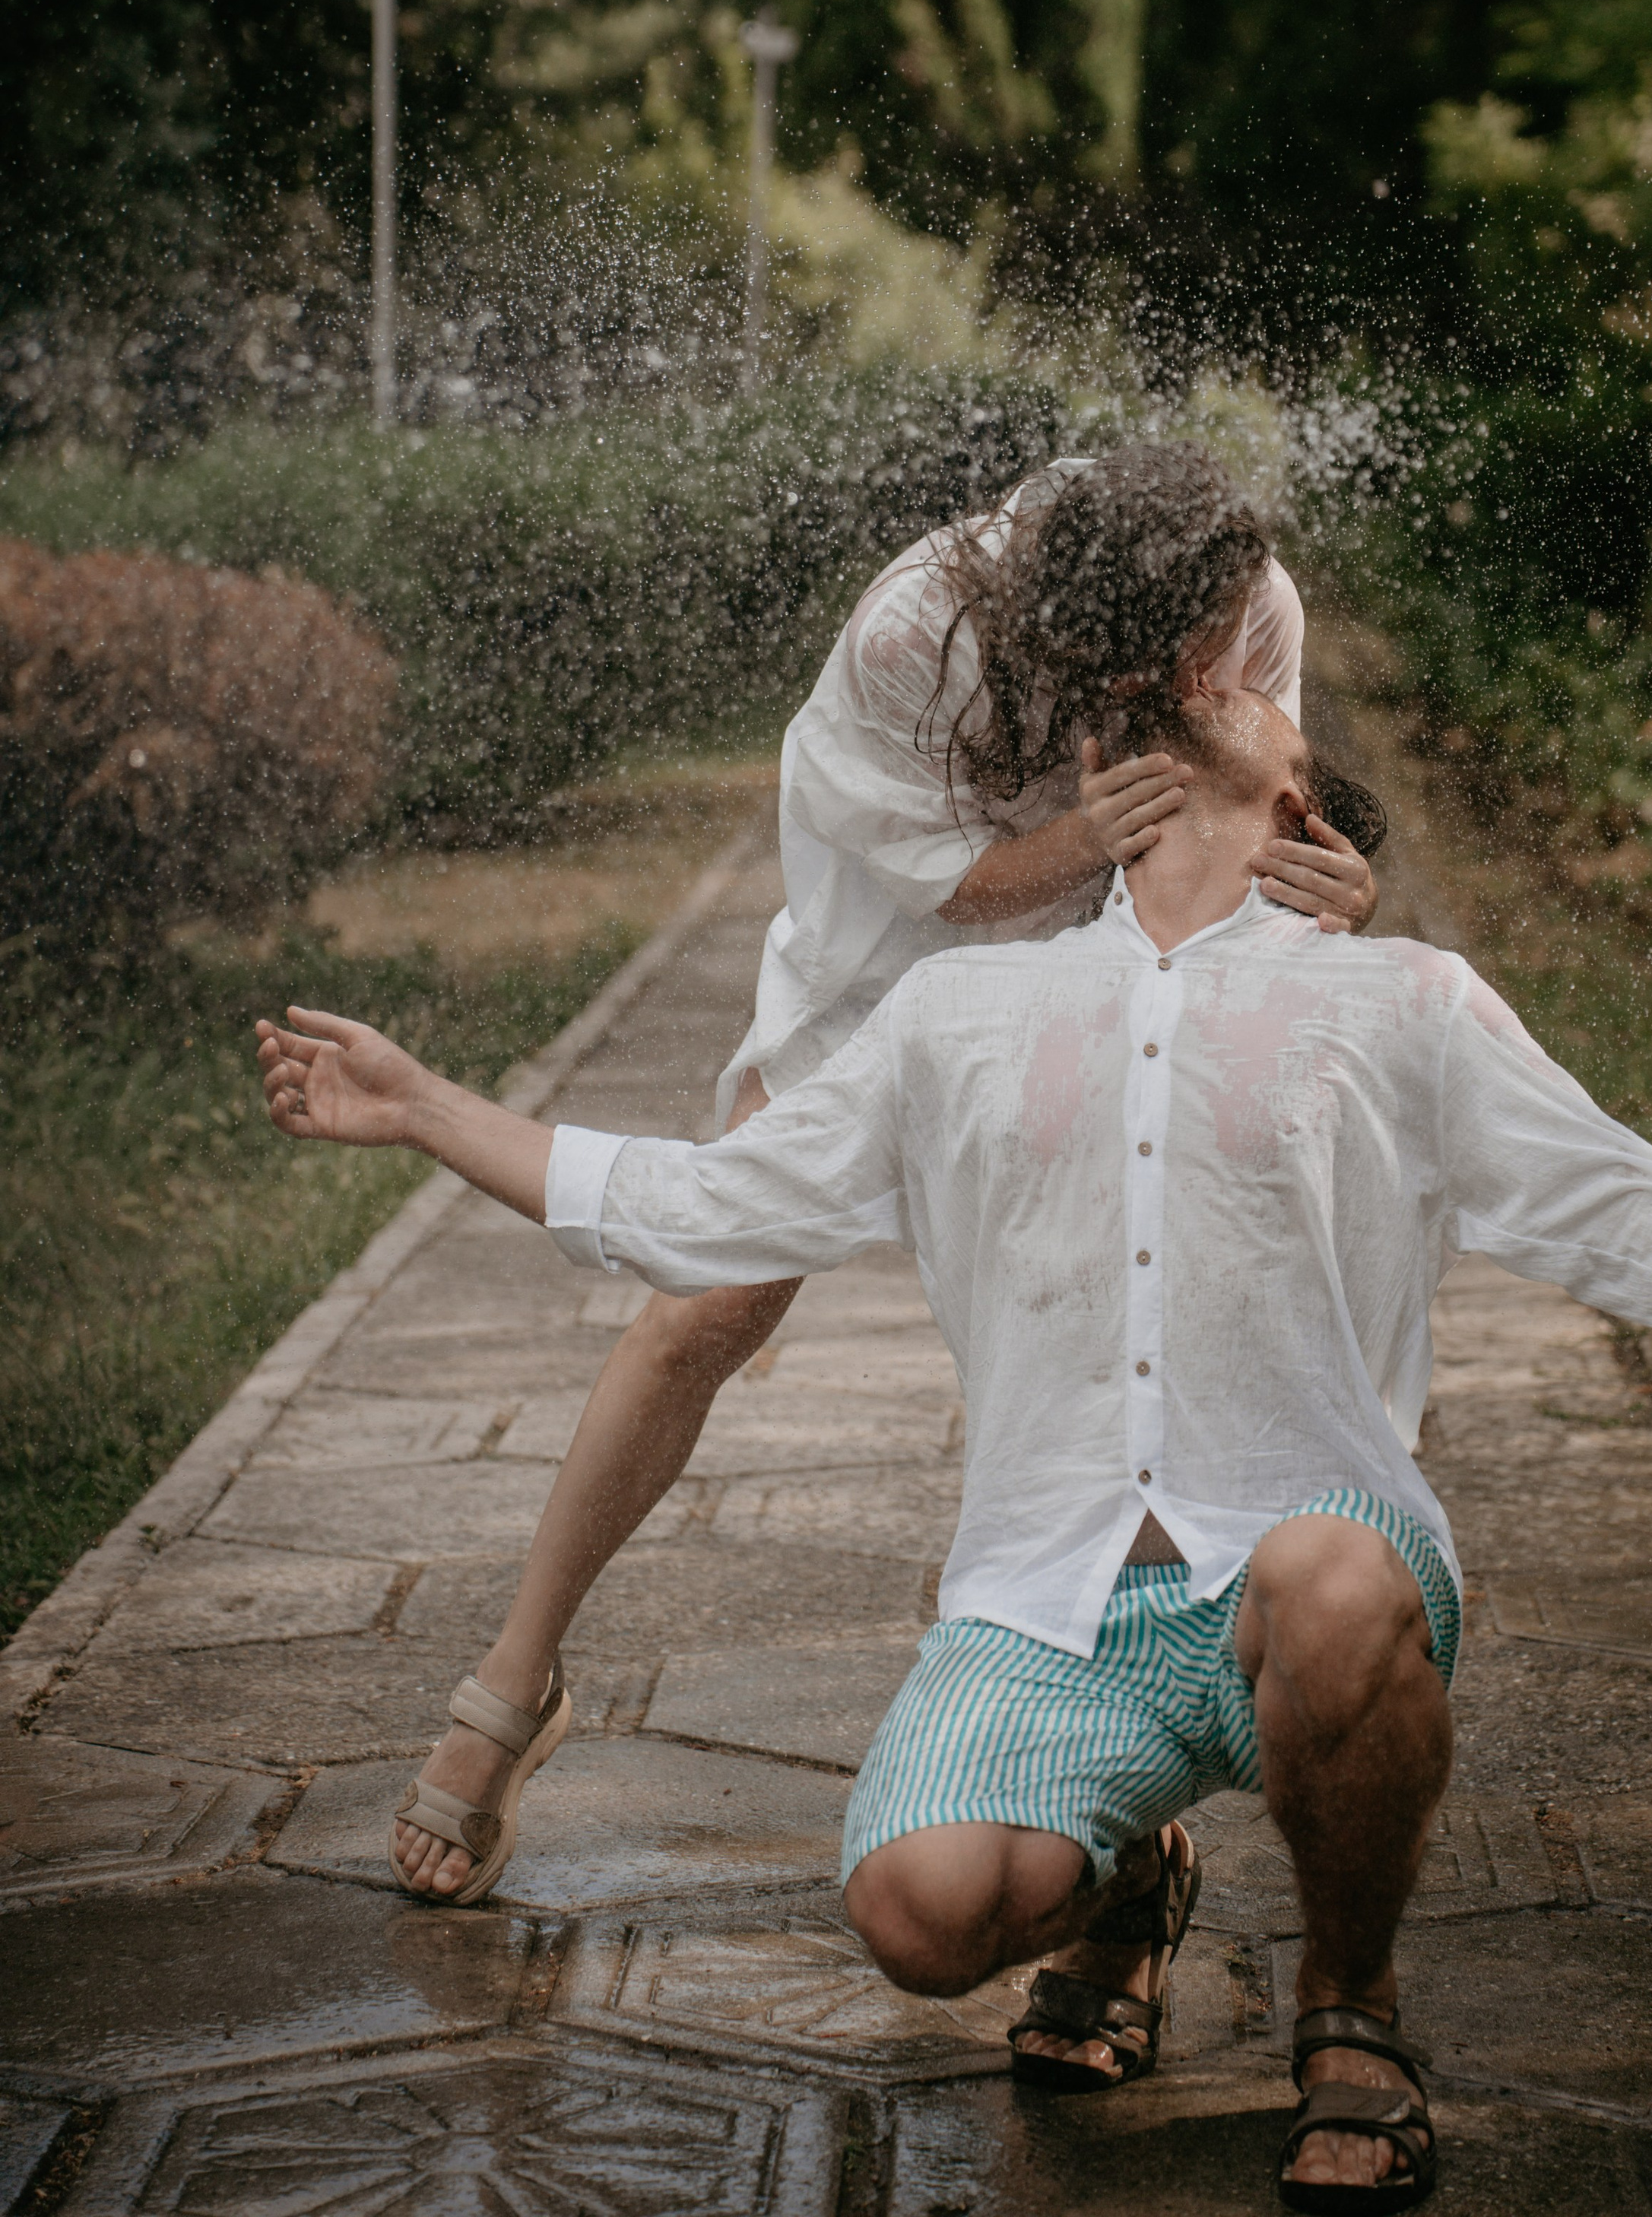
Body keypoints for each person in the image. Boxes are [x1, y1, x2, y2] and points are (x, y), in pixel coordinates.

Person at [254, 685, 1652, 2211]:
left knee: (1326, 1565)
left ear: (1301, 803)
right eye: (1147, 683)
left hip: (1305, 1591)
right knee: (915, 1917)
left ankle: (1347, 2006)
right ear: (1089, 772)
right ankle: (1125, 1880)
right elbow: (695, 1209)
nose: (1194, 675)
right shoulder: (953, 1016)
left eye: (1241, 682)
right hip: (1049, 1611)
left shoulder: (1401, 1001)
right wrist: (423, 1107)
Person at [379, 442, 1381, 1901]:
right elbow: (945, 884)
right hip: (896, 959)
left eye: (1219, 640)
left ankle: (1117, 1801)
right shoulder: (923, 626)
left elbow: (1249, 826)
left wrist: (1338, 895)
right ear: (1078, 632)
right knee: (706, 1308)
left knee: (1110, 1353)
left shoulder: (1248, 600)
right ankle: (516, 1678)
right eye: (1174, 654)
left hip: (1112, 969)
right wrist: (1077, 837)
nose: (1218, 666)